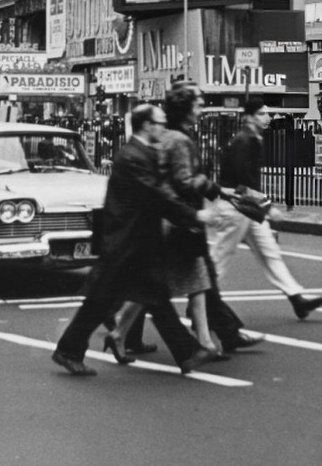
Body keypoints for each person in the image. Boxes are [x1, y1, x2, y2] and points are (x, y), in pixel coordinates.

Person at [51, 104, 218, 378]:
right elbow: (157, 196)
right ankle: (69, 350)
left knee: (146, 296)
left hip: (136, 241)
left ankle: (186, 353)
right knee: (106, 299)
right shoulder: (134, 157)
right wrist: (195, 215)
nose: (163, 128)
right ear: (147, 125)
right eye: (160, 123)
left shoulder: (143, 153)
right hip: (127, 242)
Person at [152, 83, 262, 354]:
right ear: (185, 108)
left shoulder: (172, 136)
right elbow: (185, 181)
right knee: (175, 282)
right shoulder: (179, 139)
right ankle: (120, 329)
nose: (201, 109)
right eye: (198, 105)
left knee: (201, 280)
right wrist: (213, 193)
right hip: (184, 218)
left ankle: (215, 336)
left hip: (180, 217)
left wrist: (216, 190)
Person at [213, 96, 322, 319]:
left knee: (269, 252)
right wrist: (267, 207)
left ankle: (297, 298)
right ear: (248, 118)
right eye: (262, 114)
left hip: (248, 208)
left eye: (267, 113)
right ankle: (205, 300)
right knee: (221, 256)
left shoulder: (252, 139)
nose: (267, 117)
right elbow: (242, 180)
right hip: (235, 207)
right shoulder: (244, 141)